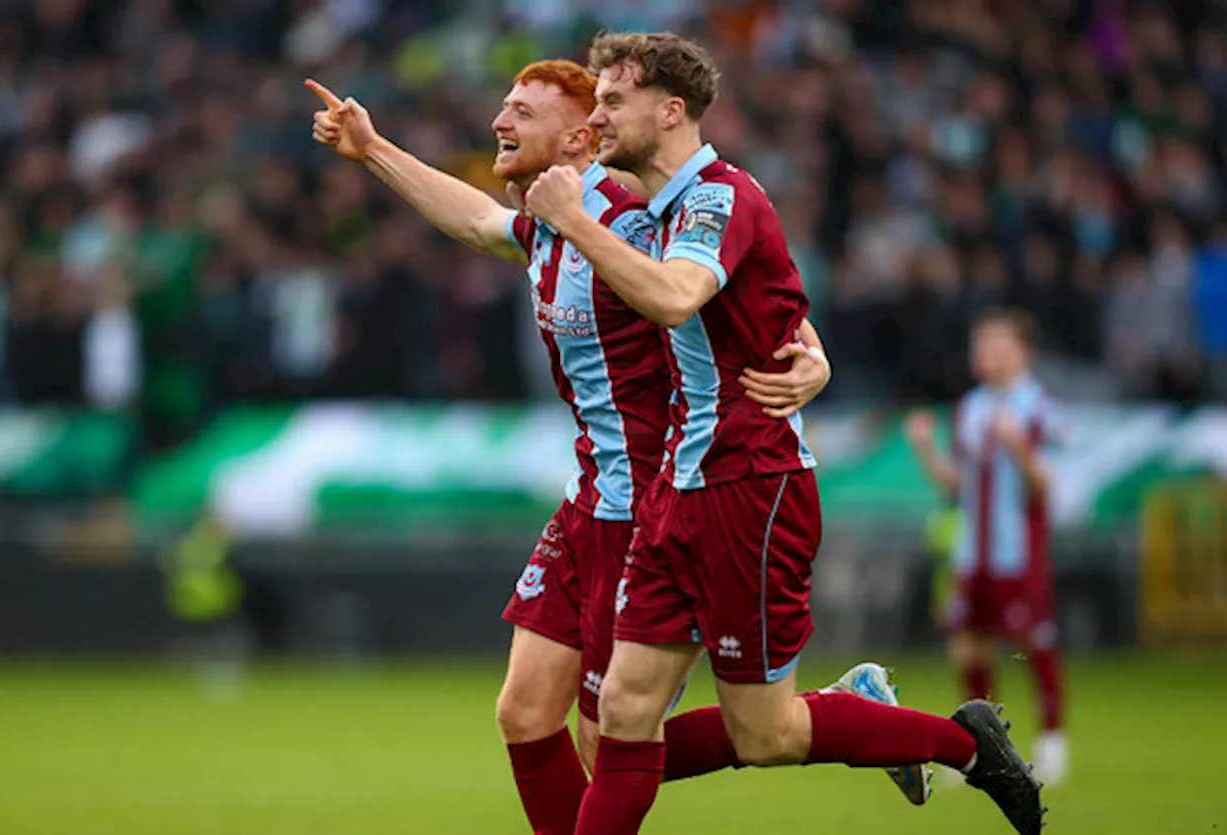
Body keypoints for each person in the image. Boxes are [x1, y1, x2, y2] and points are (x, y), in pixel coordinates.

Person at [307, 59, 925, 835]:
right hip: (590, 497)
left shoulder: (631, 207)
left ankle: (842, 714)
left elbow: (740, 287)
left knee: (616, 744)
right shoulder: (547, 216)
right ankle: (837, 713)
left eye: (522, 111)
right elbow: (473, 220)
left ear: (580, 134)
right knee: (525, 712)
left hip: (654, 504)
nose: (500, 121)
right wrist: (374, 150)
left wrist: (814, 351)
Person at [520, 32, 1045, 835]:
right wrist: (815, 355)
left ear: (670, 110)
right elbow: (774, 308)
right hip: (677, 486)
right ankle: (865, 711)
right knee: (617, 719)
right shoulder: (654, 210)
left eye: (613, 99)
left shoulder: (717, 197)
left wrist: (573, 222)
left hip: (749, 486)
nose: (598, 115)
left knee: (766, 735)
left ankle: (962, 742)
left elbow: (674, 298)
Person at [906, 307, 1068, 786]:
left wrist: (1019, 448)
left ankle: (1053, 740)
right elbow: (959, 484)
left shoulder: (1041, 409)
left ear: (1024, 351)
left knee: (1033, 640)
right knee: (968, 646)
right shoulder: (970, 408)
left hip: (1017, 551)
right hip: (971, 552)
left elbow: (1048, 485)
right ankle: (975, 747)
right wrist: (925, 449)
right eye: (982, 345)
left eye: (997, 345)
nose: (987, 354)